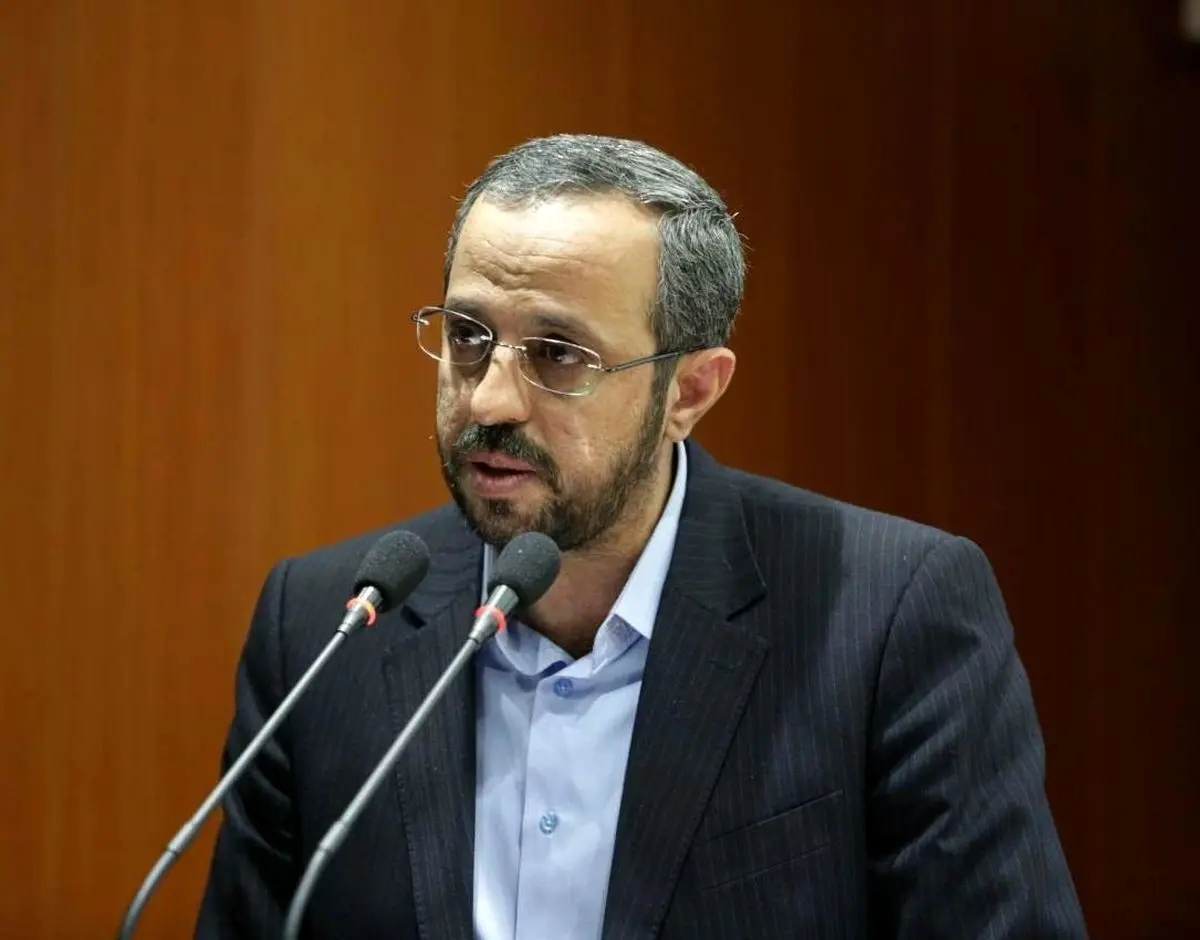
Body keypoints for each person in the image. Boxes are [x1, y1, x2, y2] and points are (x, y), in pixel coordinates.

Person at [195, 133, 1087, 939]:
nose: (490, 400)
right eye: (468, 336)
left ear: (691, 392)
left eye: (558, 354)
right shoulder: (329, 625)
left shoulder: (885, 617)